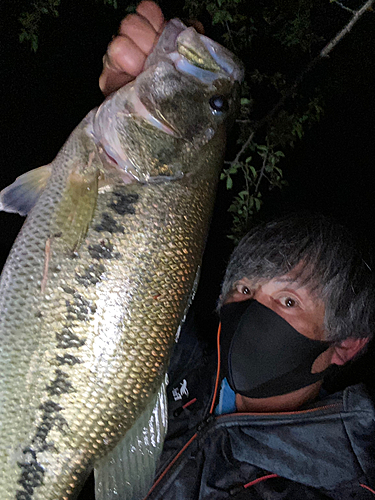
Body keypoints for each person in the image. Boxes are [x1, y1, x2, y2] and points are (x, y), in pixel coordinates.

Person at [98, 4, 375, 498]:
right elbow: (95, 286)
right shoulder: (175, 371)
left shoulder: (336, 490)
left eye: (288, 301)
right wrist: (128, 131)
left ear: (347, 344)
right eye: (245, 288)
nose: (250, 309)